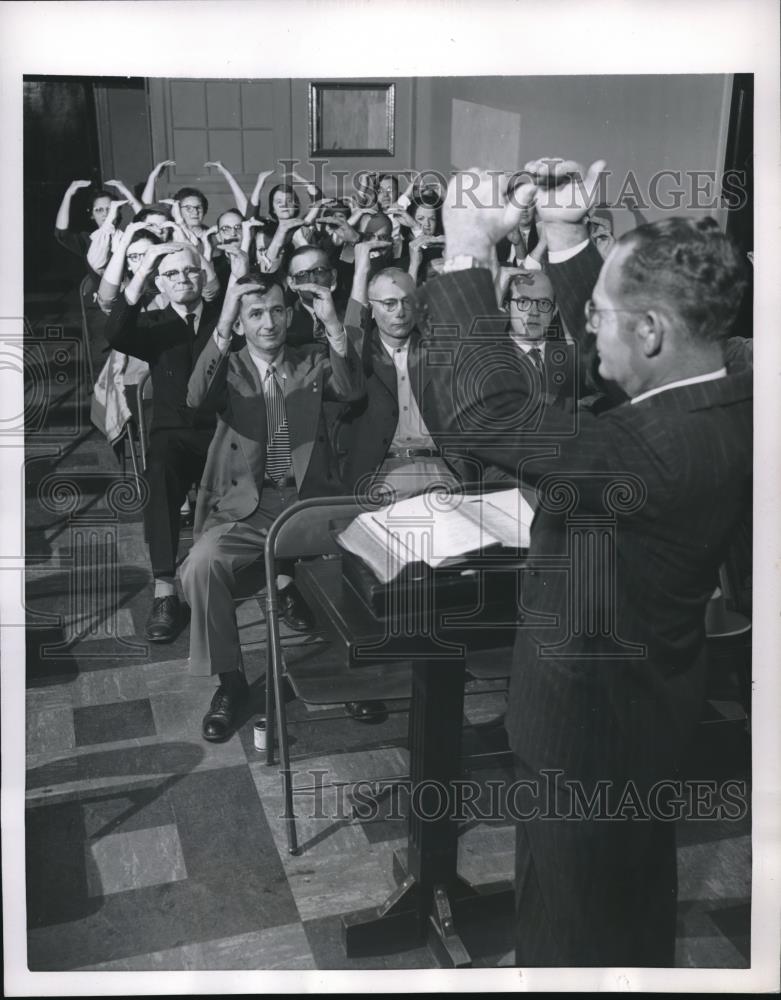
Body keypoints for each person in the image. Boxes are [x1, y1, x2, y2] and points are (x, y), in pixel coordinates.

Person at [422, 160, 752, 967]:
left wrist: (466, 258)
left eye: (597, 314)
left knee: (571, 935)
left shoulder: (639, 450)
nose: (587, 329)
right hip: (650, 711)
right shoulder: (732, 389)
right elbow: (621, 360)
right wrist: (569, 240)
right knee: (626, 910)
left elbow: (484, 412)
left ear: (647, 331)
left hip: (584, 734)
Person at [179, 271, 365, 742]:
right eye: (255, 314)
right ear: (241, 323)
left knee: (365, 557)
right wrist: (221, 320)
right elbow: (196, 397)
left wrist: (334, 326)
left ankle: (355, 666)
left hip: (307, 504)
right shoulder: (231, 367)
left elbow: (354, 390)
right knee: (200, 565)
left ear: (289, 314)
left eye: (277, 311)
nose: (268, 322)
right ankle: (230, 681)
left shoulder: (311, 360)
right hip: (248, 508)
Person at [104, 243, 223, 643]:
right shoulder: (153, 325)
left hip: (223, 432)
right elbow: (116, 331)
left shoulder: (227, 319)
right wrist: (141, 274)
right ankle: (165, 588)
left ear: (203, 276)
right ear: (160, 282)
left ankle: (278, 578)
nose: (183, 279)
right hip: (172, 435)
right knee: (158, 470)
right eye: (172, 274)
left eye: (190, 272)